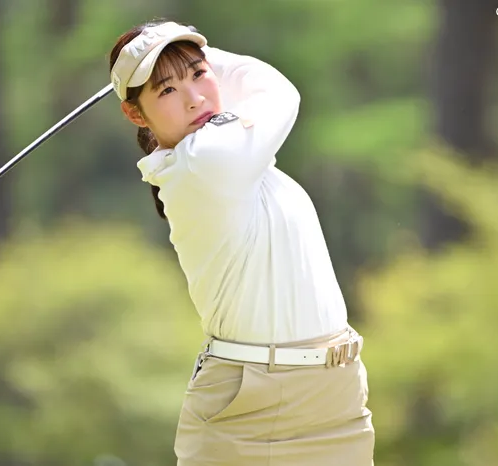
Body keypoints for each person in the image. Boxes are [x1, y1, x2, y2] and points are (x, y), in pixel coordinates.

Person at [108, 20, 375, 466]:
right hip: (252, 406)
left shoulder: (229, 154)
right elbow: (277, 90)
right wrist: (202, 53)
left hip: (337, 397)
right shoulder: (206, 161)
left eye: (199, 74)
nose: (194, 97)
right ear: (136, 114)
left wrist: (172, 51)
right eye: (167, 90)